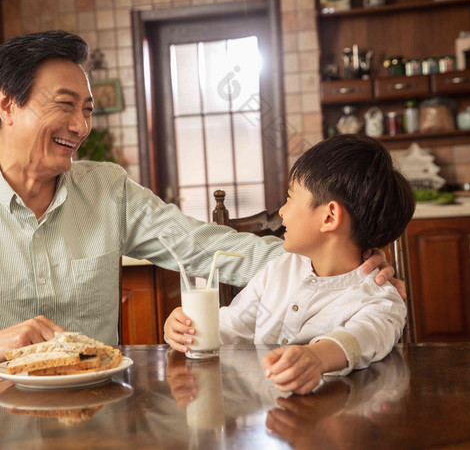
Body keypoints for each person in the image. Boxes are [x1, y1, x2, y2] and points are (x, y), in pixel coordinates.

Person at [0, 31, 399, 366]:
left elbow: (208, 249)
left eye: (89, 109)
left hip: (98, 404)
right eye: (65, 105)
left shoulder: (106, 188)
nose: (81, 125)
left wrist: (337, 269)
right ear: (7, 104)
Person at [164, 134, 415, 394]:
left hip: (337, 419)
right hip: (267, 419)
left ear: (329, 216)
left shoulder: (382, 299)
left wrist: (316, 357)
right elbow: (232, 326)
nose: (282, 211)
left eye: (290, 197)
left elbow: (363, 337)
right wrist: (185, 328)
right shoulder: (279, 269)